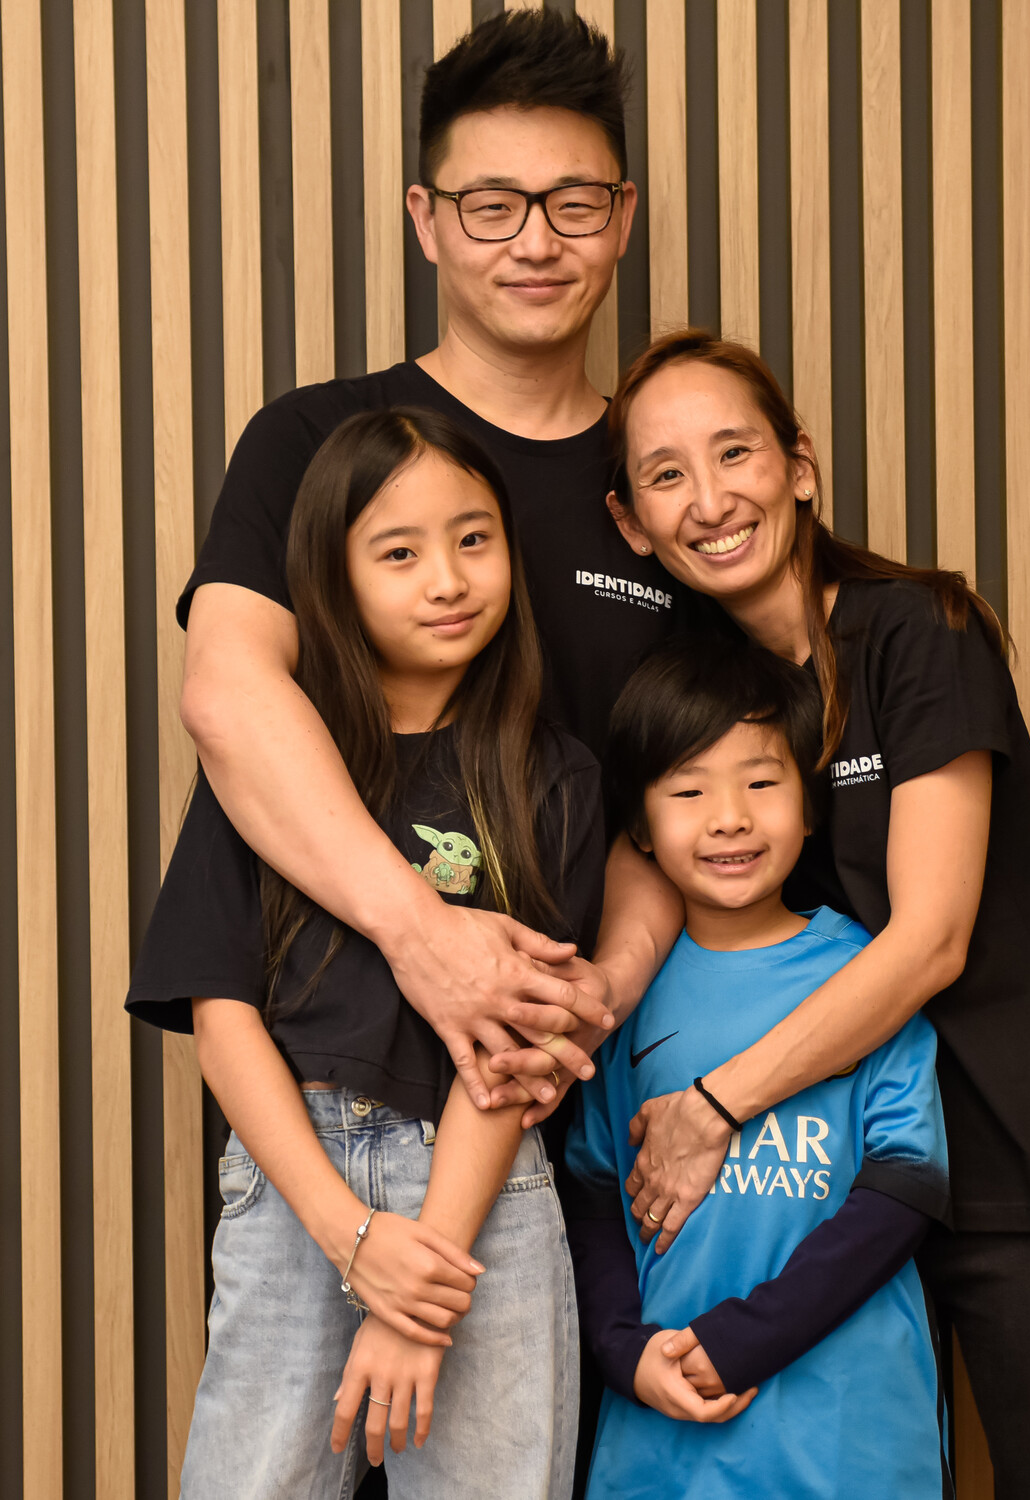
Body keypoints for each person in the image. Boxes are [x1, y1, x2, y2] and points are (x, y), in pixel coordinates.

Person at [590, 330, 1030, 1499]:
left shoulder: (916, 631)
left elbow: (931, 938)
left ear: (799, 465)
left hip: (1022, 1164)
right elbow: (642, 875)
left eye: (735, 453)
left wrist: (710, 1105)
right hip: (834, 1190)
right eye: (666, 475)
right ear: (631, 523)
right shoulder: (711, 700)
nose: (711, 501)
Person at [178, 9, 692, 1119]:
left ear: (622, 217)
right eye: (491, 206)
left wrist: (593, 997)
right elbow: (227, 693)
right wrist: (424, 936)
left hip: (595, 1099)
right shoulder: (316, 440)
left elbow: (681, 797)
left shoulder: (669, 489)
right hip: (336, 1109)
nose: (536, 243)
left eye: (574, 204)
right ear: (427, 219)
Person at [127, 408, 605, 1496]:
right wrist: (351, 1238)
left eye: (474, 540)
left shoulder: (553, 778)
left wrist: (418, 1293)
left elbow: (516, 1052)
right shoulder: (277, 773)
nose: (448, 580)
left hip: (481, 1197)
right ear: (332, 581)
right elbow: (220, 1016)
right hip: (296, 1184)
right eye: (399, 553)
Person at [564, 635, 952, 1499]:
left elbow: (905, 1190)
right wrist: (625, 1352)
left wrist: (746, 1338)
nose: (729, 818)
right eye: (689, 791)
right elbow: (590, 1193)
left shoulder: (867, 980)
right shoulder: (625, 995)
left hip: (846, 1441)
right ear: (639, 827)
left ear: (810, 805)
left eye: (762, 784)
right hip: (661, 1440)